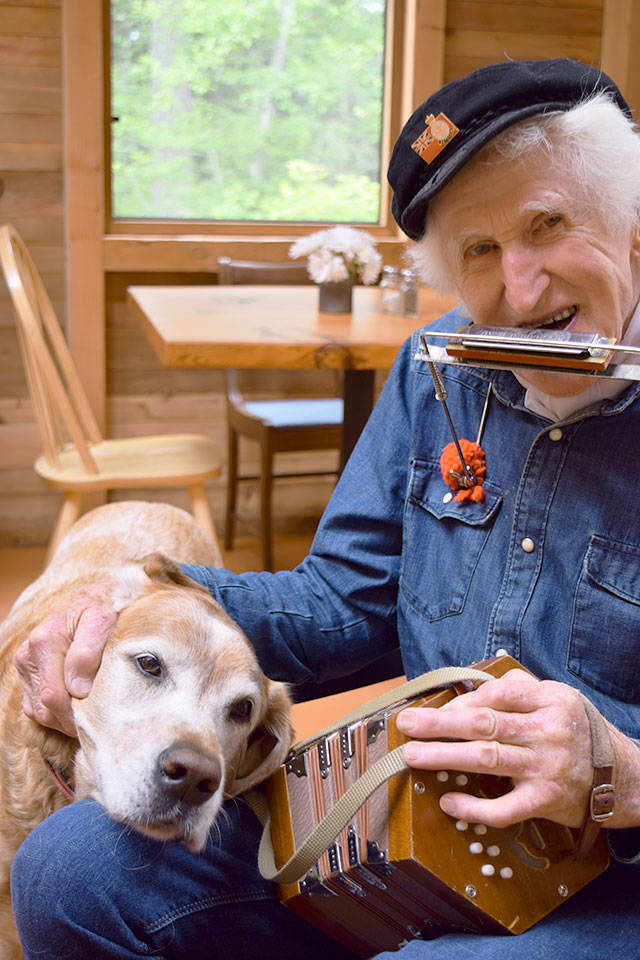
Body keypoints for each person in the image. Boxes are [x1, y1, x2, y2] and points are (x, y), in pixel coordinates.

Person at [10, 57, 640, 959]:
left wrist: (619, 771)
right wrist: (141, 591)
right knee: (69, 872)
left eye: (548, 224)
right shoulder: (437, 371)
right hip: (394, 823)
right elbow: (342, 601)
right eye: (480, 251)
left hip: (610, 879)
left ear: (633, 226)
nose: (524, 288)